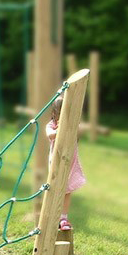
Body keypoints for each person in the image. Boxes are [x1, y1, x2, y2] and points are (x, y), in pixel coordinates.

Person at [46, 95, 87, 231]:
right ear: (54, 114)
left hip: (71, 162)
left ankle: (63, 217)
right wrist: (59, 129)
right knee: (55, 189)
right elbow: (50, 135)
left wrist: (71, 124)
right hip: (57, 162)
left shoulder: (73, 125)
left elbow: (80, 131)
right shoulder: (51, 125)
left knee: (67, 190)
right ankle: (51, 215)